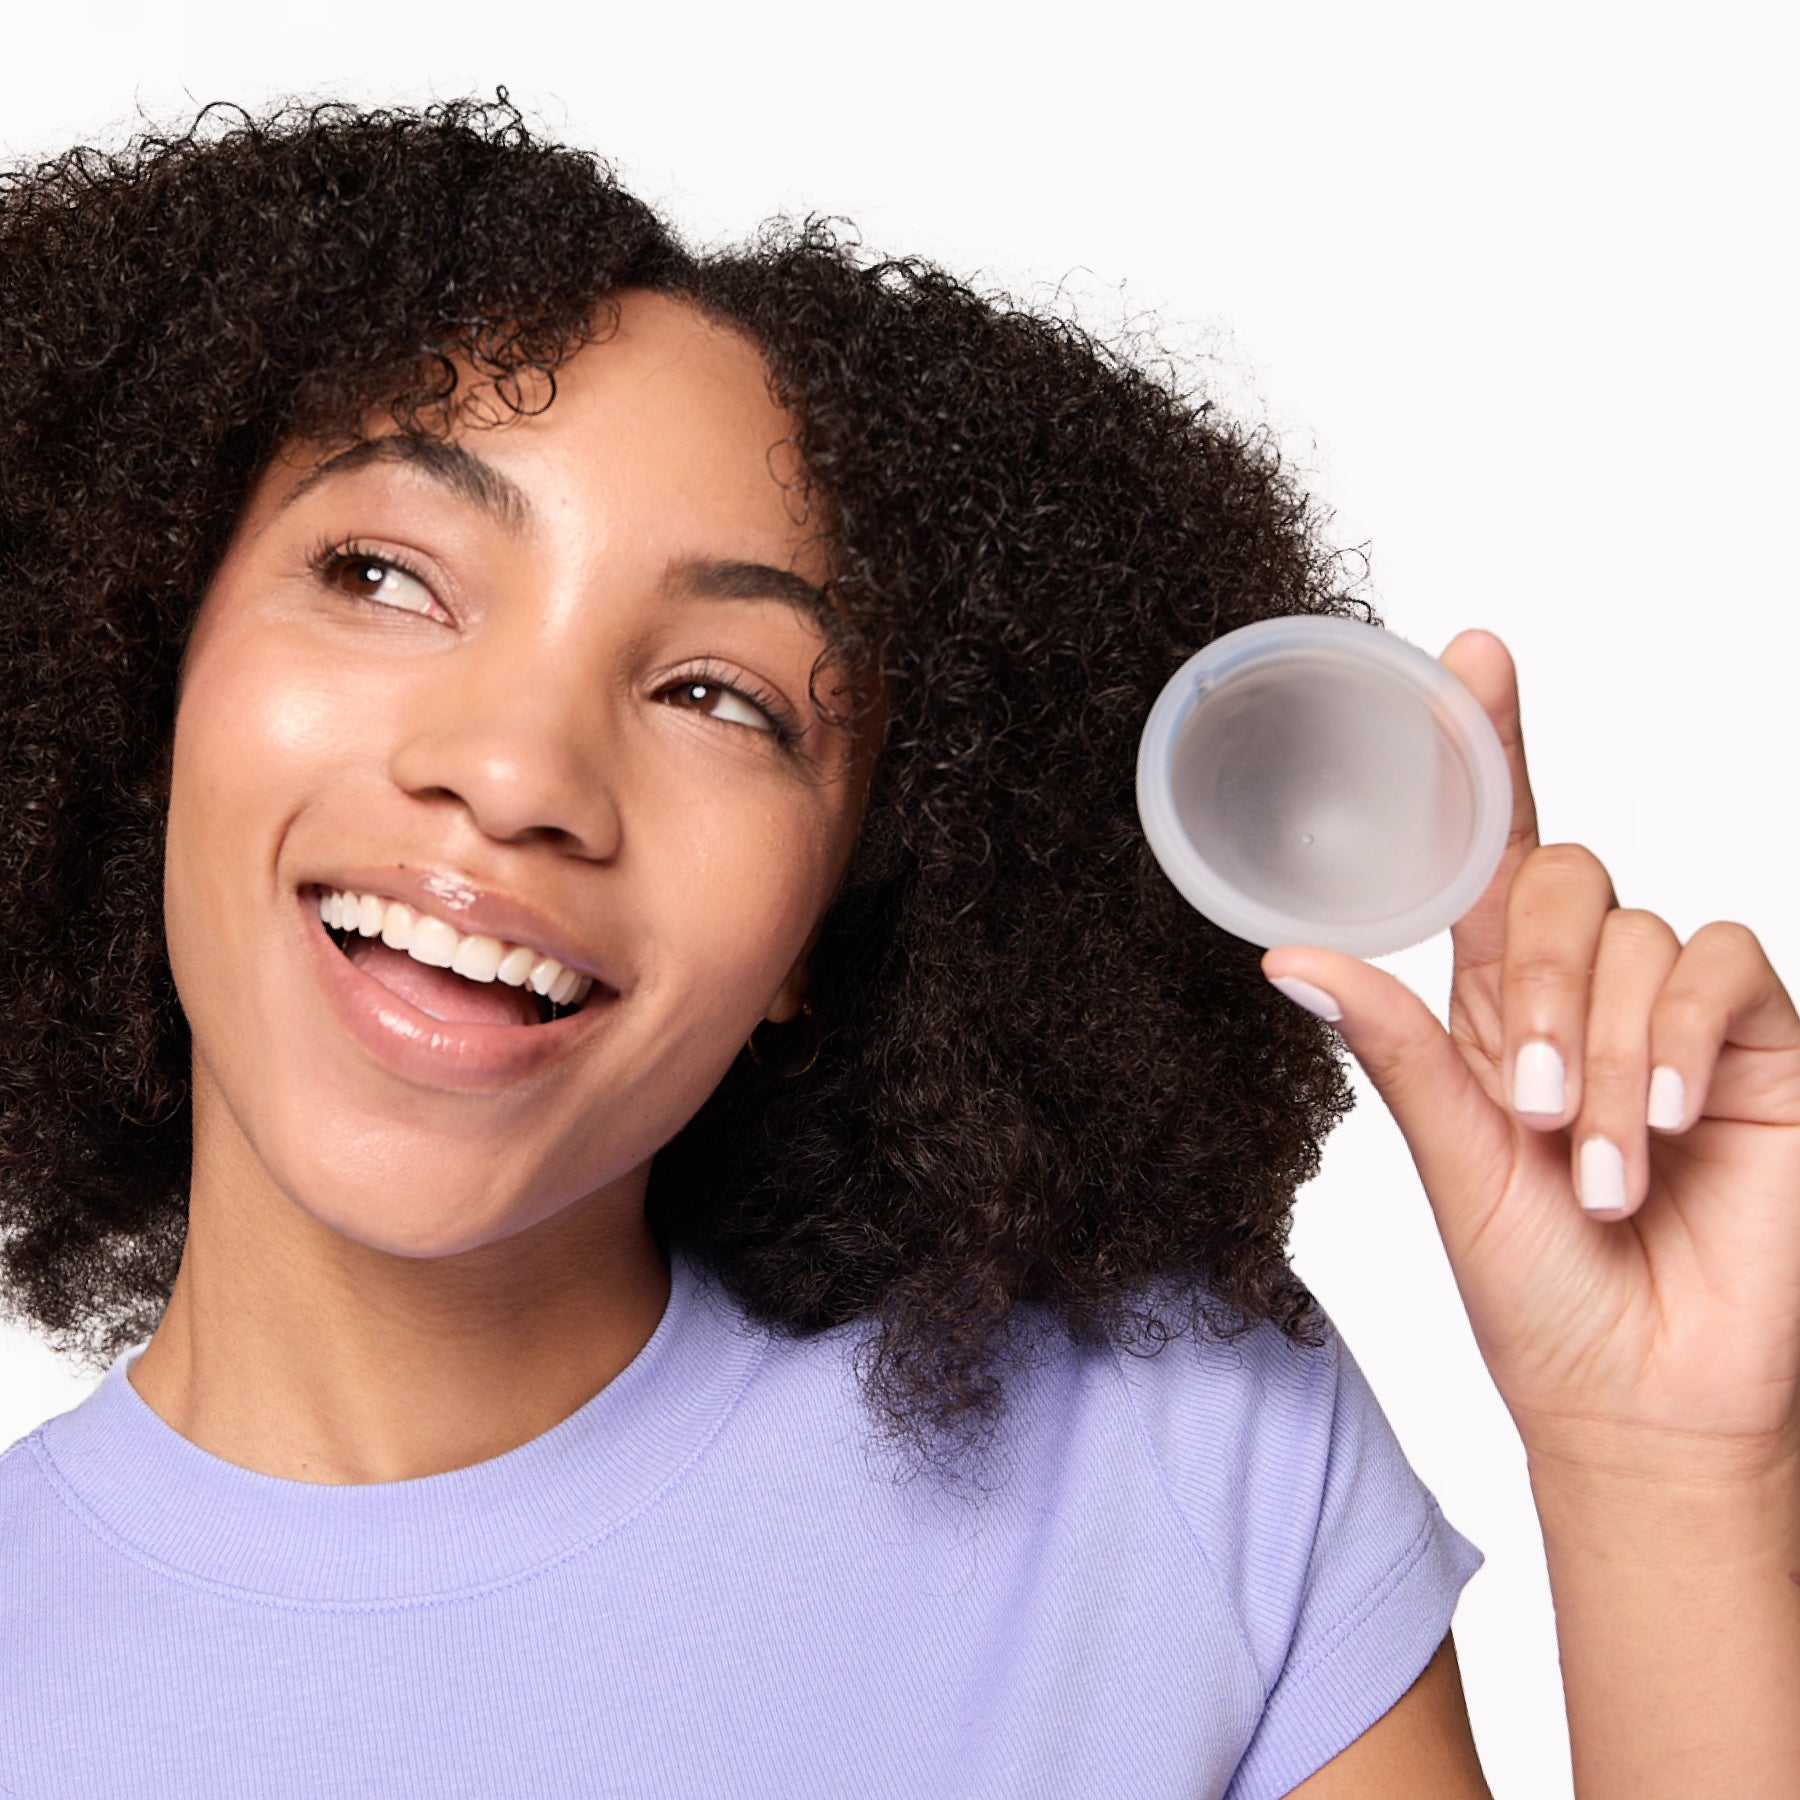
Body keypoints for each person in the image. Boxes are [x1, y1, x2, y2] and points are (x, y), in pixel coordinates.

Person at [0, 97, 1792, 1799]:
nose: (520, 772)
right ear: (144, 664)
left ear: (829, 913)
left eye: (722, 695)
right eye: (386, 575)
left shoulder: (1165, 1469)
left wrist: (1668, 1473)